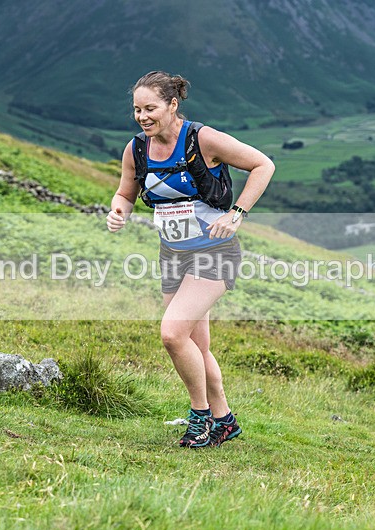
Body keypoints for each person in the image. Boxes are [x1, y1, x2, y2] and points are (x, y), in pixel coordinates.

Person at [106, 71, 274, 448]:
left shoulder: (203, 138)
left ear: (173, 105)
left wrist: (238, 214)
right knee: (196, 346)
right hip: (173, 256)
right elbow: (125, 193)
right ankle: (224, 420)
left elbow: (264, 165)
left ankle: (199, 417)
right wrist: (118, 211)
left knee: (171, 333)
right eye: (137, 110)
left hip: (214, 252)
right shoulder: (135, 149)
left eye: (150, 108)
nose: (142, 116)